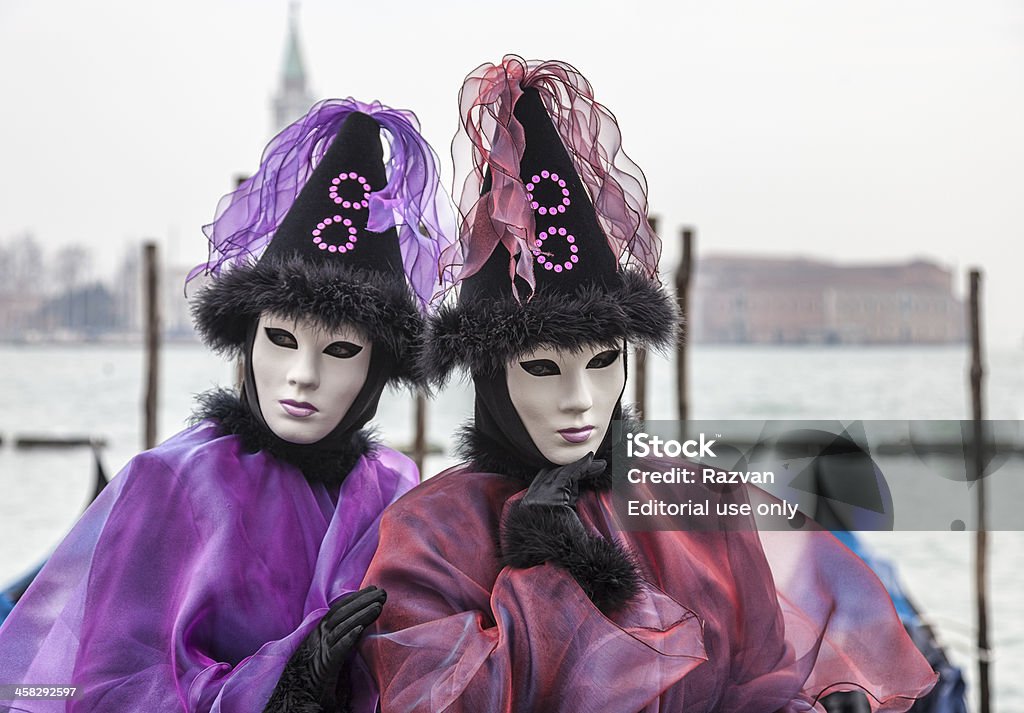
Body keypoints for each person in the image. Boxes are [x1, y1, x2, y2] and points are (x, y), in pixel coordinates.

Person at [358, 56, 939, 712]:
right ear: (491, 375)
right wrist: (548, 573)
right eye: (543, 368)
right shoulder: (429, 532)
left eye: (603, 361)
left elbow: (766, 682)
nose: (579, 399)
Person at [0, 98, 452, 712]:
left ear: (377, 368)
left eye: (341, 350)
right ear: (248, 337)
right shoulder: (169, 484)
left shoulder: (396, 492)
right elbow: (103, 684)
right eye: (281, 339)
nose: (302, 376)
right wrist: (272, 692)